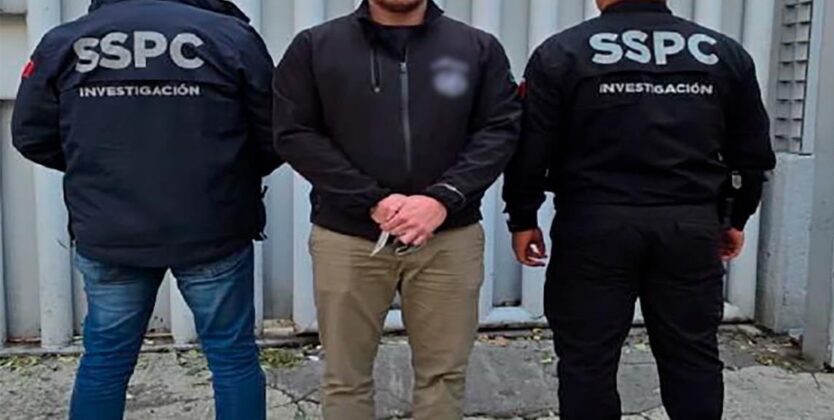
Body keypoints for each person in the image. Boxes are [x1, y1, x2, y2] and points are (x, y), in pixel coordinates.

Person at [503, 0, 777, 419]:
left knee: (587, 359)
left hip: (594, 225)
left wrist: (523, 217)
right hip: (688, 224)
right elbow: (751, 151)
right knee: (692, 356)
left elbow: (531, 147)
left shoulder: (563, 52)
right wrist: (735, 216)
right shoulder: (722, 52)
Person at [11, 0, 281, 419]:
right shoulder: (230, 37)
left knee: (106, 362)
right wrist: (226, 175)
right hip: (212, 226)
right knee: (233, 358)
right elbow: (275, 134)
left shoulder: (65, 41)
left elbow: (32, 135)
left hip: (110, 229)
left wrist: (101, 170)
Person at [273, 0, 520, 418]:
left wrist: (443, 198)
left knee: (444, 375)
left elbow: (500, 129)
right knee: (345, 378)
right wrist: (371, 200)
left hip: (449, 238)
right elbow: (294, 133)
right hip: (349, 238)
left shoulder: (475, 47)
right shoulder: (316, 47)